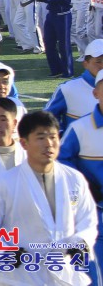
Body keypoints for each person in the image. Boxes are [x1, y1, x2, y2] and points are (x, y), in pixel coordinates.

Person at [0, 111, 98, 285]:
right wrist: (6, 250)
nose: (49, 144)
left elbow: (88, 221)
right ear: (24, 143)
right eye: (41, 138)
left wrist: (80, 242)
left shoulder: (74, 179)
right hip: (22, 274)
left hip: (65, 275)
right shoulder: (4, 184)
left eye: (53, 137)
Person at [59, 64, 103, 279]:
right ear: (96, 93)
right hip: (94, 212)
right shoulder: (80, 128)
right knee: (93, 271)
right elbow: (61, 160)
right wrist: (84, 183)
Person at [46, 38, 103, 133]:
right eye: (99, 61)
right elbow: (47, 118)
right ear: (86, 64)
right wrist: (61, 136)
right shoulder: (68, 88)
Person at [42, 0, 75, 79]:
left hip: (62, 15)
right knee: (48, 42)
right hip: (51, 14)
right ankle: (56, 69)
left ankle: (68, 71)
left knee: (63, 44)